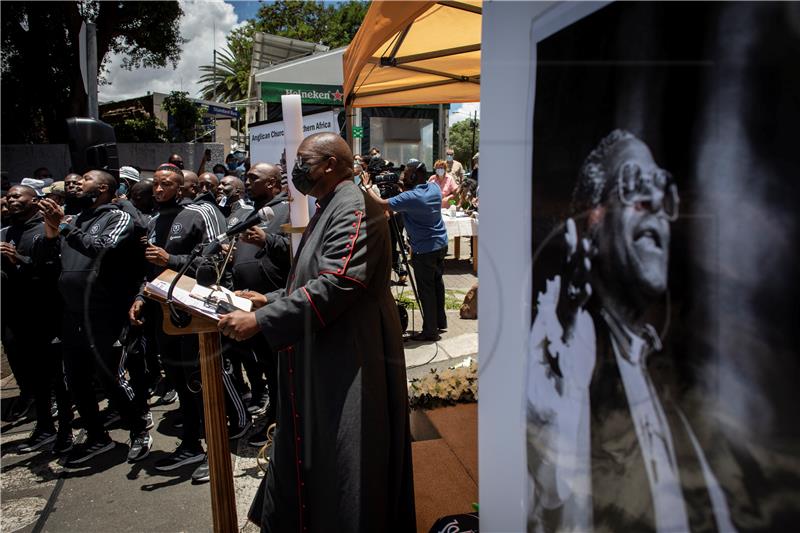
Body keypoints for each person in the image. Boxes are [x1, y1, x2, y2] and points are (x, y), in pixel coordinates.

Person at [526, 130, 734, 532]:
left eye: (662, 188)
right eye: (635, 184)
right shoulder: (562, 359)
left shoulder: (660, 366)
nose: (655, 202)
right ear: (590, 221)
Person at [218, 132, 415, 533]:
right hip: (324, 349)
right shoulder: (330, 204)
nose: (295, 168)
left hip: (349, 355)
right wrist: (268, 300)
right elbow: (311, 276)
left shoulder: (353, 205)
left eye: (301, 160)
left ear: (329, 163)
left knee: (346, 460)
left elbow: (339, 282)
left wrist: (261, 322)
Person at [34, 170, 152, 466]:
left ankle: (138, 428)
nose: (75, 183)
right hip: (71, 312)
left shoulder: (117, 217)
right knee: (75, 378)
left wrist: (62, 225)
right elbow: (49, 262)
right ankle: (98, 436)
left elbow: (102, 249)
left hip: (104, 312)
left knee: (109, 377)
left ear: (102, 188)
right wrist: (52, 231)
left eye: (84, 180)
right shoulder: (75, 220)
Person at [1, 185, 73, 445]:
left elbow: (54, 268)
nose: (11, 200)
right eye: (8, 196)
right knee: (34, 378)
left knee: (58, 378)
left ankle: (66, 430)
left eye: (18, 196)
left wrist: (18, 258)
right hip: (17, 317)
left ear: (35, 200)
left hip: (48, 315)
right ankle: (44, 426)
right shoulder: (6, 232)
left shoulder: (46, 230)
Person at [235, 163, 292, 447]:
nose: (247, 181)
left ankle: (282, 420)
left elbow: (298, 252)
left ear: (272, 183)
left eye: (253, 178)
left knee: (283, 369)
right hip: (248, 306)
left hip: (276, 305)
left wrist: (266, 239)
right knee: (267, 366)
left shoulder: (289, 209)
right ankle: (274, 412)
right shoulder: (250, 212)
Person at [372, 159, 449, 341]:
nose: (403, 175)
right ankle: (440, 322)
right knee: (437, 284)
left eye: (406, 173)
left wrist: (366, 187)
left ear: (414, 176)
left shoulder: (410, 197)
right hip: (440, 244)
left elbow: (383, 204)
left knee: (426, 291)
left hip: (425, 250)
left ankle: (430, 331)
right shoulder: (433, 188)